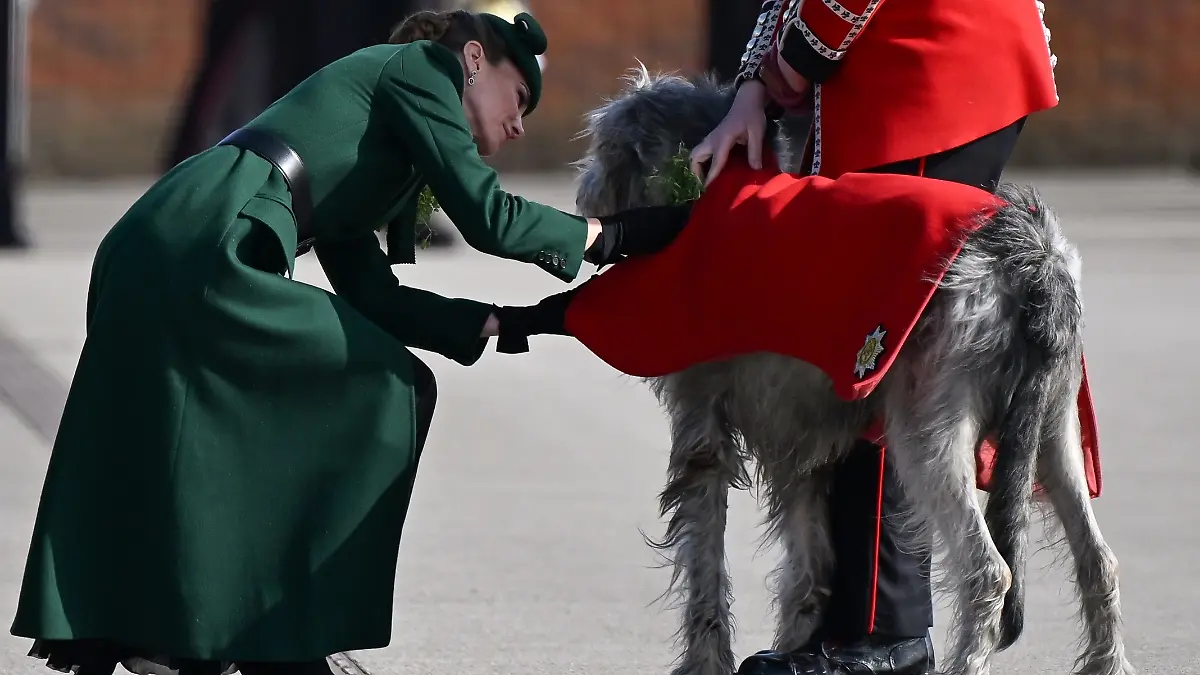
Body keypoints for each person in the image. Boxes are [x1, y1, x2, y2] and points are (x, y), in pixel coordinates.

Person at [9, 9, 693, 675]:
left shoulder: (380, 144)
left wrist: (505, 322)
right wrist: (611, 237)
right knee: (383, 387)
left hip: (174, 236)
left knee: (232, 427)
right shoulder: (423, 69)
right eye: (519, 97)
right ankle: (287, 630)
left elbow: (372, 296)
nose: (519, 124)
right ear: (475, 59)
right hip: (202, 240)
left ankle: (203, 630)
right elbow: (488, 216)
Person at [684, 1, 1061, 674]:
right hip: (906, 65)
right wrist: (753, 86)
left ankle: (887, 631)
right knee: (862, 328)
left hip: (929, 69)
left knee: (888, 340)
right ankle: (847, 622)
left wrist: (786, 70)